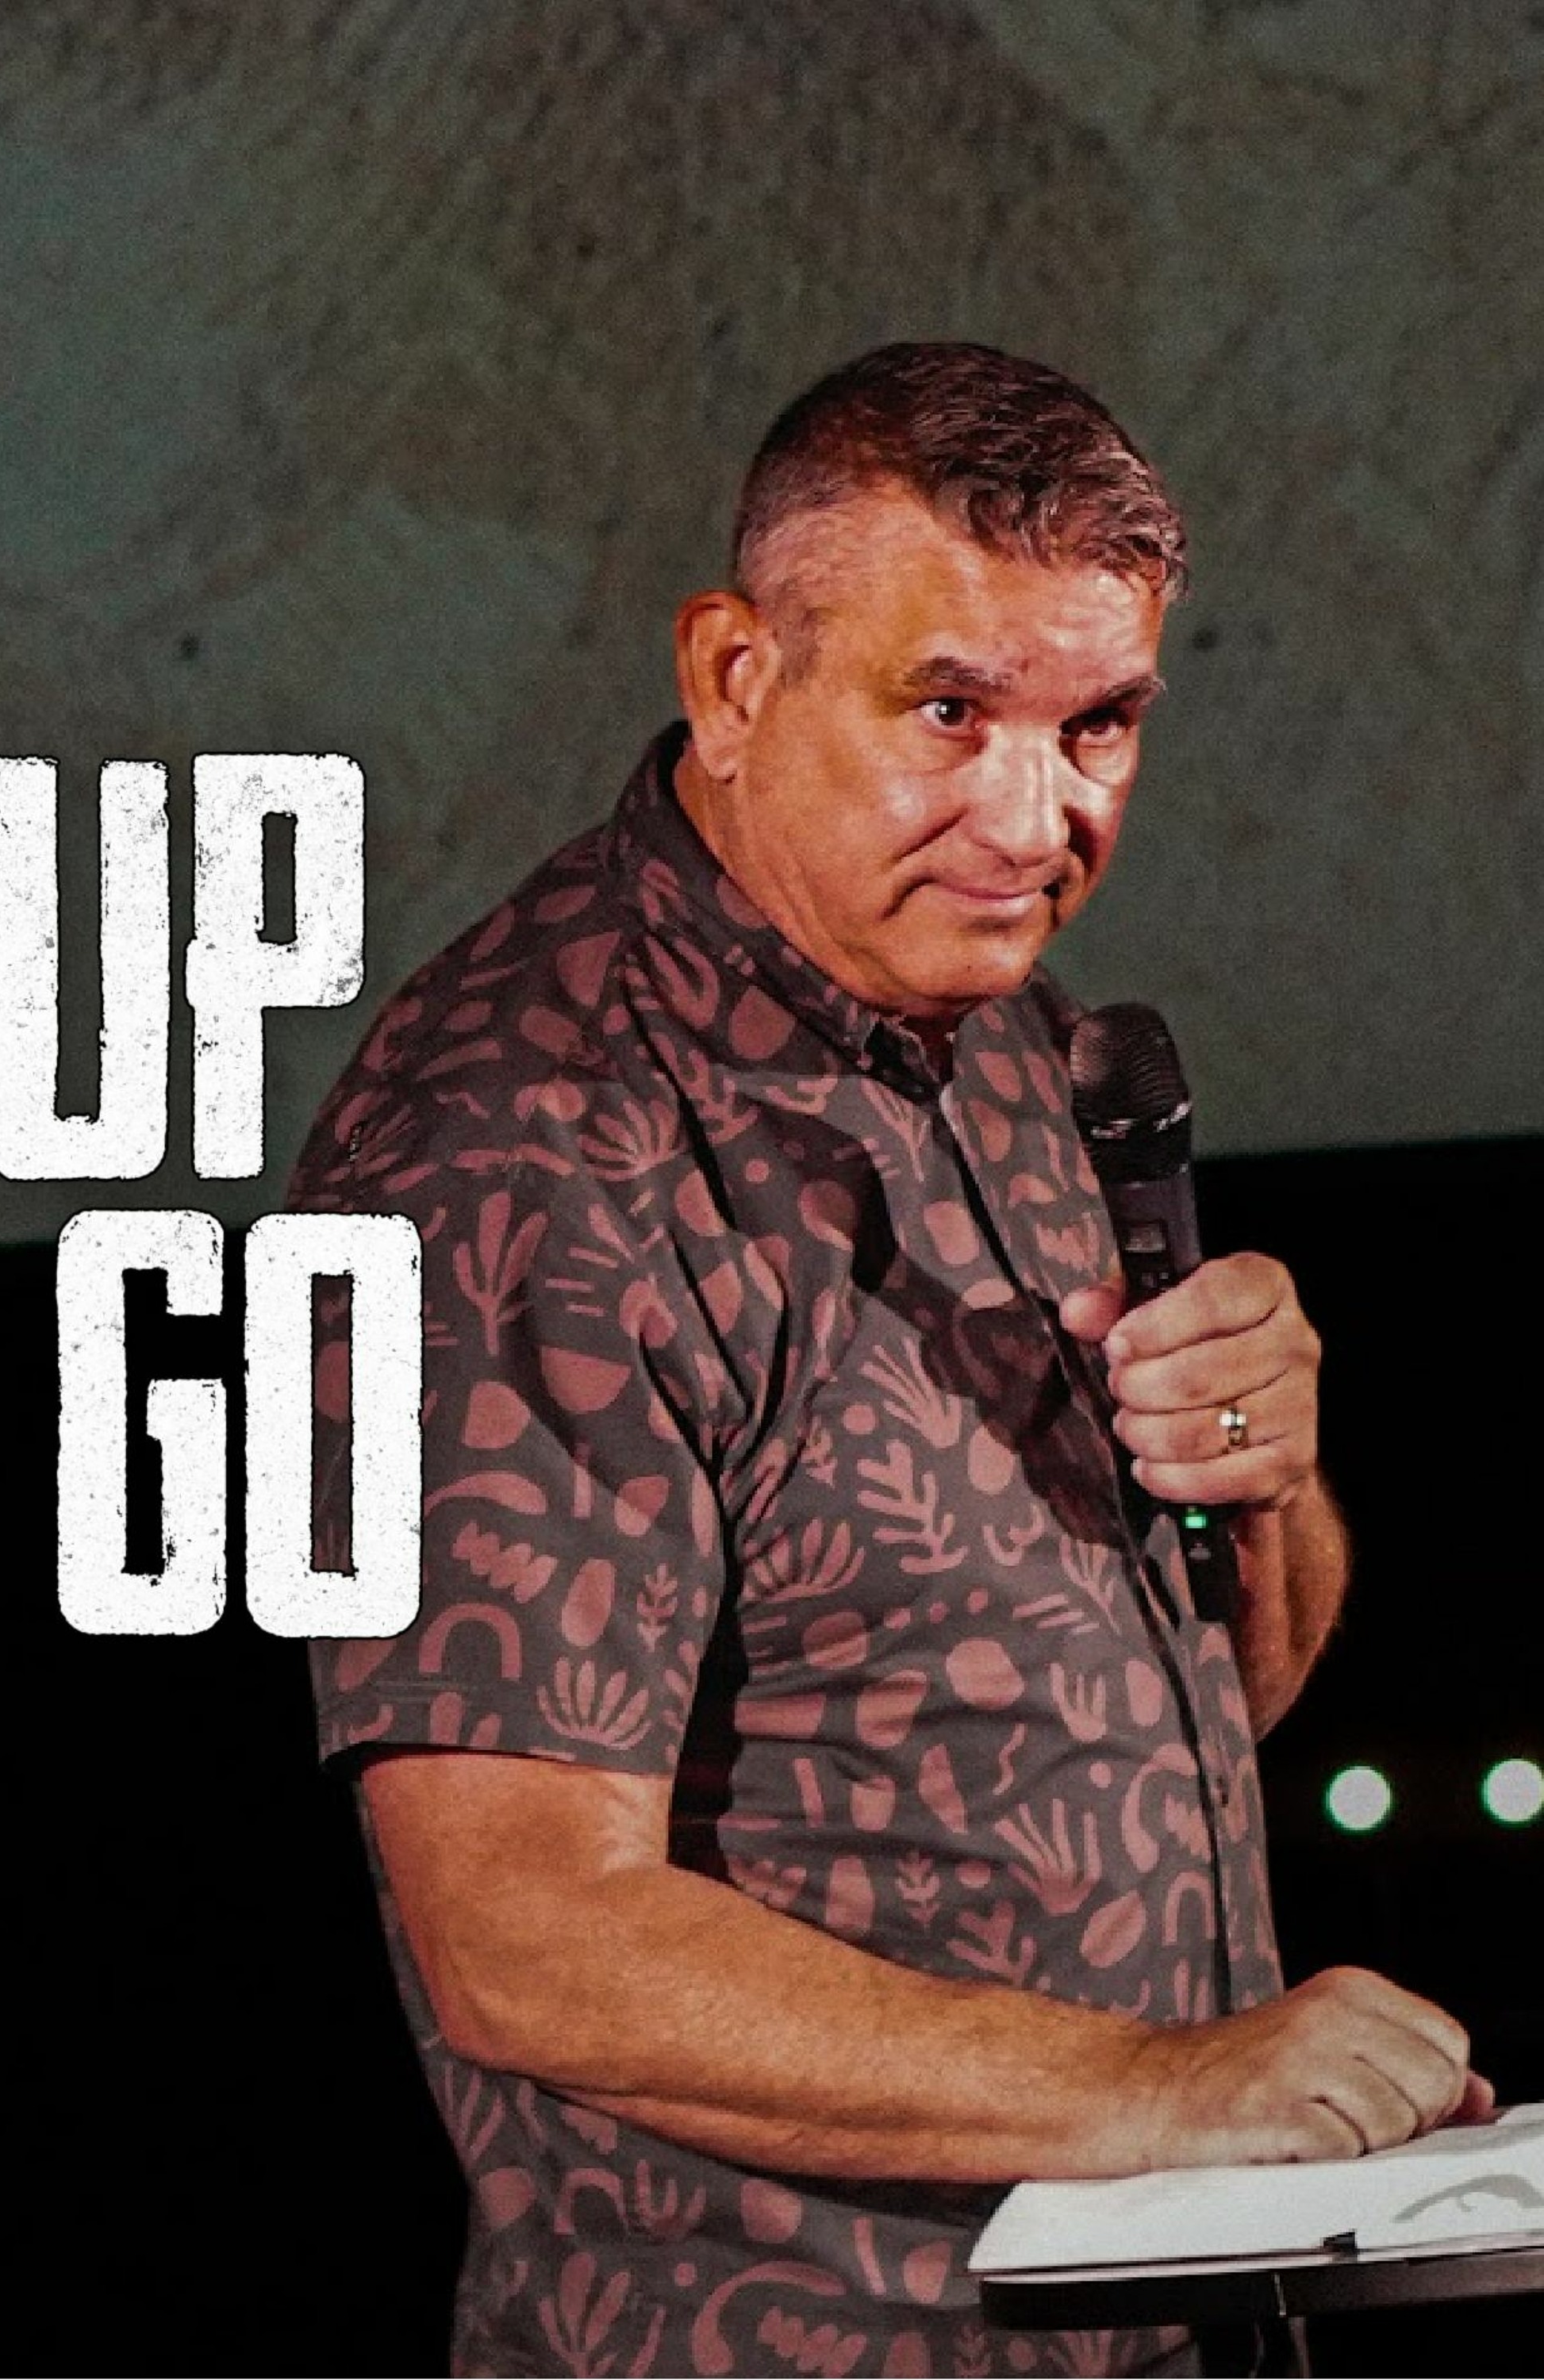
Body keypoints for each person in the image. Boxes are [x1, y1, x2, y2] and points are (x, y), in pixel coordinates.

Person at [287, 343, 1489, 2378]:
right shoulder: (516, 1154)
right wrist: (1164, 2087)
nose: (1037, 818)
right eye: (950, 712)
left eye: (1099, 723)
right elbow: (525, 1936)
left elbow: (1192, 1717)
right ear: (734, 679)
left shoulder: (1017, 1037)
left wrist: (1268, 1476)